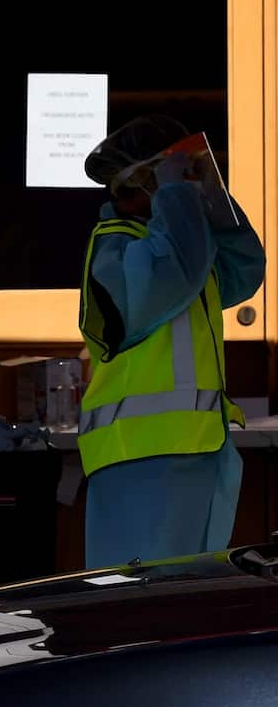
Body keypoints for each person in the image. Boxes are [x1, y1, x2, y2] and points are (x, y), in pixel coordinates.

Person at [78, 116, 265, 569]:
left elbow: (244, 270)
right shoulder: (118, 248)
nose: (190, 183)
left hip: (192, 454)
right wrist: (176, 196)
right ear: (144, 181)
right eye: (179, 173)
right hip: (141, 461)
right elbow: (174, 269)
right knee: (142, 611)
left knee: (183, 603)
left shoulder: (177, 242)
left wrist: (213, 200)